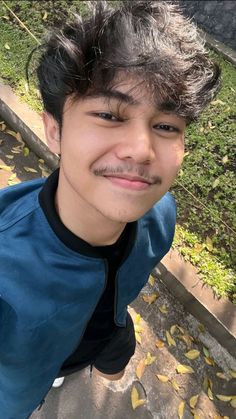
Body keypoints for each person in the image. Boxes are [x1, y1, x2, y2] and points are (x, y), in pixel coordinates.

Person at [0, 1, 220, 418]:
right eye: (108, 114)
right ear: (55, 130)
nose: (142, 149)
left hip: (105, 335)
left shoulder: (160, 215)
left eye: (166, 126)